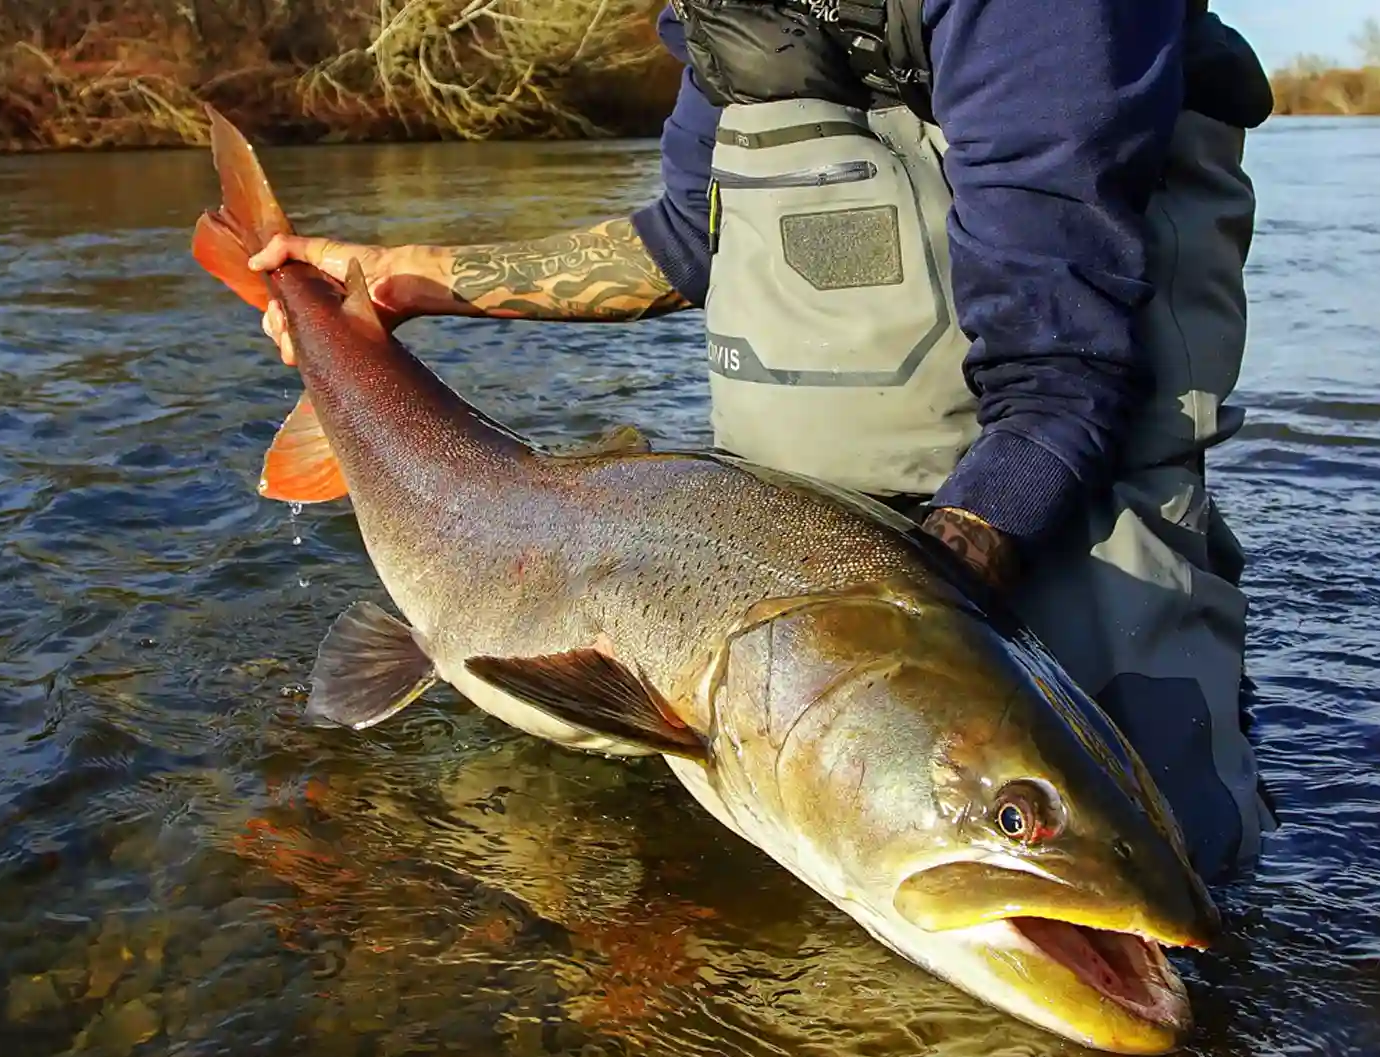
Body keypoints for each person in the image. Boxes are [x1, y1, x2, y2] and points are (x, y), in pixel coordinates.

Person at [247, 0, 1279, 884]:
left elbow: (1061, 376)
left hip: (1047, 486)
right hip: (819, 528)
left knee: (1168, 862)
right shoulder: (738, 11)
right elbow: (689, 239)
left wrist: (922, 607)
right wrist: (401, 281)